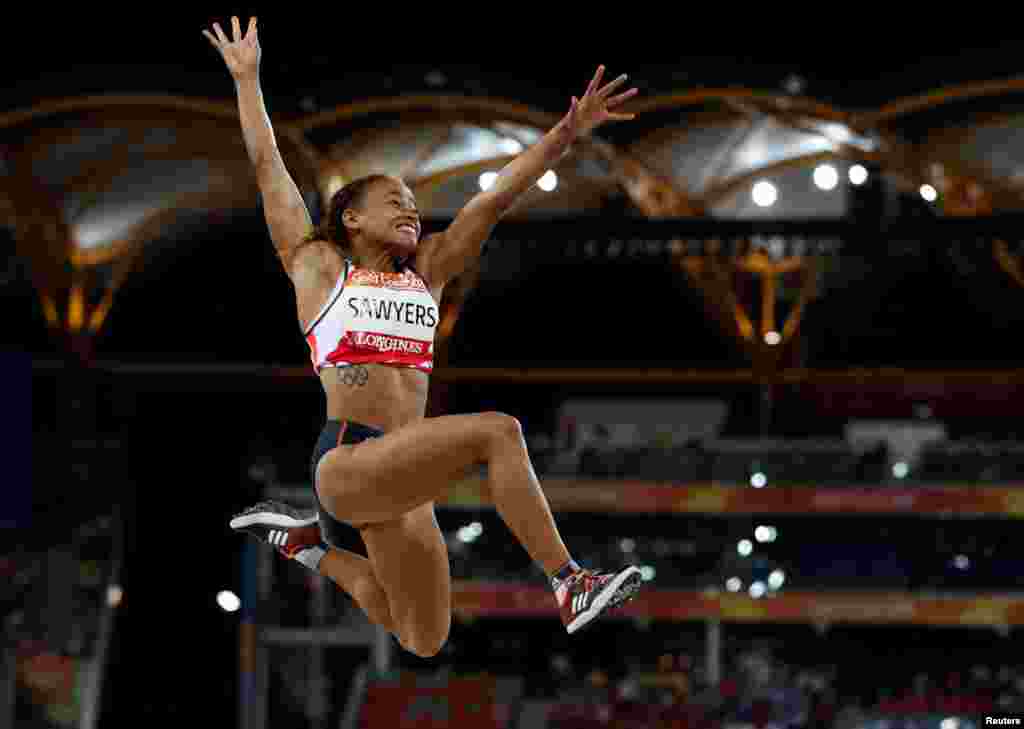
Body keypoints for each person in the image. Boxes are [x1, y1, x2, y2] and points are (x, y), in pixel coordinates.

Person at [205, 16, 644, 658]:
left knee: (421, 637)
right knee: (500, 430)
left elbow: (491, 202)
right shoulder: (319, 266)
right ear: (350, 217)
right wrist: (247, 80)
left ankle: (306, 546)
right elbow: (267, 164)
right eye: (393, 200)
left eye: (413, 201)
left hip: (406, 472)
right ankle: (570, 581)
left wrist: (566, 134)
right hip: (350, 461)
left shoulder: (429, 274)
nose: (411, 209)